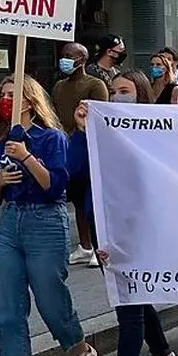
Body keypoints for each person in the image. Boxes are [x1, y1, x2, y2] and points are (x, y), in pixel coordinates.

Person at [0, 77, 98, 356]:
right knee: (7, 303)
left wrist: (27, 158)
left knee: (51, 298)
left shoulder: (52, 138)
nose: (5, 100)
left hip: (45, 221)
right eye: (2, 94)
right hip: (10, 223)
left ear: (29, 101)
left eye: (12, 95)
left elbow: (56, 187)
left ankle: (81, 348)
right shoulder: (0, 143)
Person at [77, 70, 178, 356]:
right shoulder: (99, 133)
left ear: (141, 96)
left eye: (126, 91)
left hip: (135, 232)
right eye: (114, 92)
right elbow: (75, 172)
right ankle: (164, 355)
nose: (118, 97)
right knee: (136, 297)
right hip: (105, 227)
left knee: (129, 304)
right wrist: (83, 132)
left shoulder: (152, 138)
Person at [52, 42, 109, 268]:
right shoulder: (58, 86)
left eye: (70, 56)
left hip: (88, 145)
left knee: (92, 199)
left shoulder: (96, 85)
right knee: (77, 199)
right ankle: (85, 246)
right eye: (63, 55)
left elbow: (101, 116)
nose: (64, 59)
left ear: (82, 60)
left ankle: (98, 245)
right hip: (66, 146)